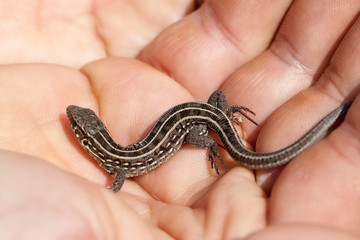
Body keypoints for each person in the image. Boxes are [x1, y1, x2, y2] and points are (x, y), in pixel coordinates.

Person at [1, 1, 360, 239]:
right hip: (204, 114)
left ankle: (226, 127)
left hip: (202, 122)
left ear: (88, 137)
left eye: (79, 124)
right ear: (92, 136)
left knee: (205, 133)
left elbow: (117, 182)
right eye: (79, 123)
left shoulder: (117, 165)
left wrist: (106, 191)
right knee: (210, 122)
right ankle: (228, 121)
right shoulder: (119, 161)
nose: (73, 122)